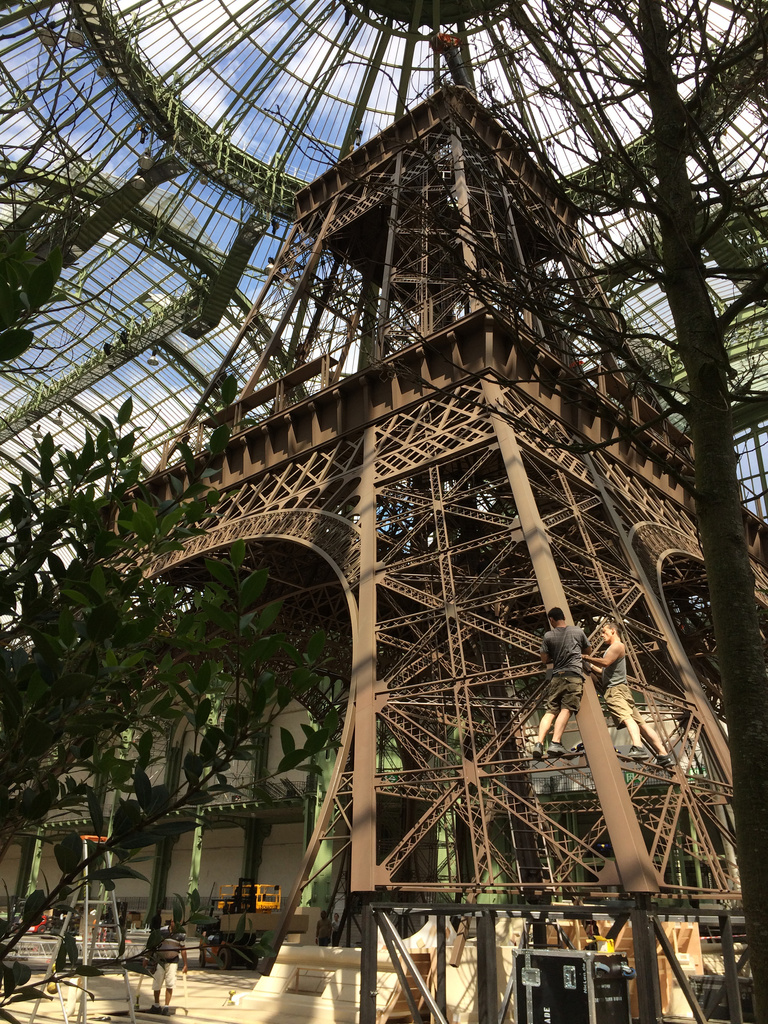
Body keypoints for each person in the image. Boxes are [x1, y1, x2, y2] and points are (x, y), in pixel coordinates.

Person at [582, 620, 674, 766]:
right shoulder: (615, 648)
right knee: (642, 724)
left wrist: (586, 658)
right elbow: (605, 671)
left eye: (604, 631)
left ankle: (638, 747)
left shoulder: (616, 646)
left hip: (615, 691)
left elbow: (605, 663)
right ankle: (663, 754)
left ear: (613, 631)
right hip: (622, 689)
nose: (601, 635)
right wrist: (591, 665)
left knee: (626, 718)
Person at [532, 607, 591, 758]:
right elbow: (588, 651)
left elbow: (544, 659)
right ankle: (555, 742)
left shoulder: (548, 636)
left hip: (556, 677)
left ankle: (538, 743)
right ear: (563, 617)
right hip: (573, 676)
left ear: (551, 620)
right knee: (567, 708)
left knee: (550, 711)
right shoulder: (577, 631)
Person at [145, 914, 187, 1014]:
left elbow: (183, 949)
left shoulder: (181, 935)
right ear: (171, 922)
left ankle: (166, 1006)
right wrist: (146, 958)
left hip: (173, 961)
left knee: (170, 983)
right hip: (160, 960)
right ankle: (156, 1005)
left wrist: (185, 964)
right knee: (157, 983)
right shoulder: (162, 931)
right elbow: (153, 945)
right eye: (174, 922)